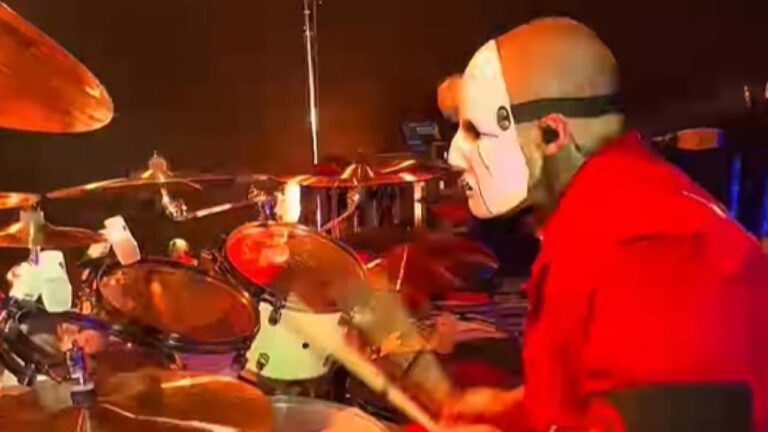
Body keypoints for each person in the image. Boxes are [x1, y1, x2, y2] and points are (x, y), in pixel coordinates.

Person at [437, 17, 768, 432]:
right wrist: (518, 410)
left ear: (552, 134)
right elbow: (615, 398)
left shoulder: (651, 254)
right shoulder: (601, 215)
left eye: (474, 131)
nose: (453, 154)